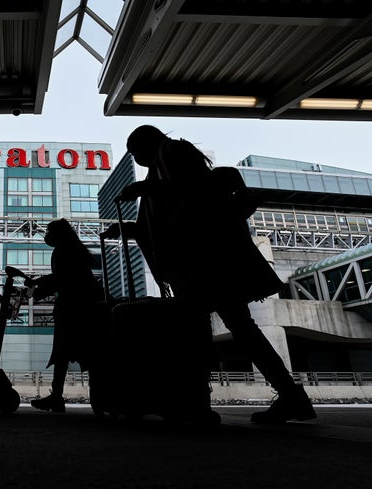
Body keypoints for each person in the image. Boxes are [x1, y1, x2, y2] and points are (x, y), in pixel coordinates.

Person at [105, 124, 316, 424]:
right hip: (207, 262)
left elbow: (193, 193)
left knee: (199, 331)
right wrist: (131, 227)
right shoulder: (163, 165)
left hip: (204, 262)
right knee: (236, 328)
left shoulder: (172, 155)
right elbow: (170, 216)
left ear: (146, 145)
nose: (136, 160)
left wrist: (145, 190)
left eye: (136, 152)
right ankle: (285, 395)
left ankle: (197, 402)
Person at [25, 218, 104, 413]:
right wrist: (36, 287)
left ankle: (58, 397)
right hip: (86, 307)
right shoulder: (72, 250)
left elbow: (62, 279)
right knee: (89, 353)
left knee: (63, 353)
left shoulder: (64, 252)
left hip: (74, 309)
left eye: (50, 232)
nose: (47, 236)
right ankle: (98, 399)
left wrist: (35, 287)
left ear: (59, 235)